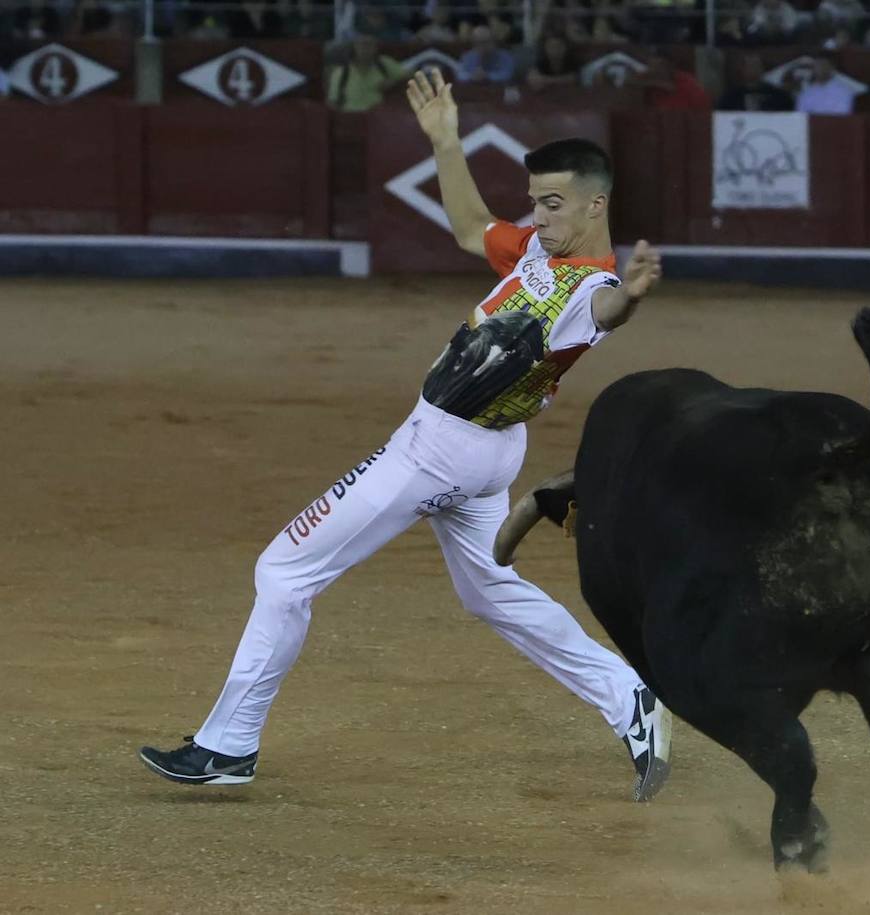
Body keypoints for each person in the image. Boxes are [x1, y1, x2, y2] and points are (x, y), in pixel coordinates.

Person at [140, 66, 673, 805]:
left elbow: (607, 311)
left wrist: (634, 297)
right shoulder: (535, 253)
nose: (540, 217)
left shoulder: (589, 284)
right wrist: (446, 140)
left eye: (554, 205)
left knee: (284, 571)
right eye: (535, 203)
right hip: (487, 452)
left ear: (596, 203)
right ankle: (632, 698)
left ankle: (229, 746)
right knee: (490, 591)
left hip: (437, 448)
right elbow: (465, 225)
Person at [325, 34, 410, 112]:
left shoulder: (385, 64)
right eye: (362, 44)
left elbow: (411, 77)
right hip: (351, 118)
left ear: (375, 48)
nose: (365, 49)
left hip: (380, 118)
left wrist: (393, 83)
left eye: (369, 44)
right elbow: (332, 103)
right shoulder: (341, 72)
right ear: (354, 47)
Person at [716, 52, 794, 111]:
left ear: (762, 69)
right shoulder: (731, 98)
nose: (753, 69)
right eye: (749, 66)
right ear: (742, 70)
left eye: (756, 65)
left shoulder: (779, 96)